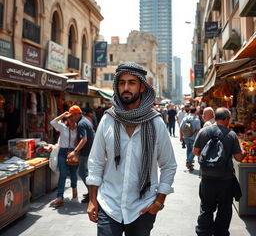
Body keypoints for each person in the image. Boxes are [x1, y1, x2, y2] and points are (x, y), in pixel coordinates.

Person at [86, 62, 177, 236]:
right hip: (108, 204)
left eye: (132, 83)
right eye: (121, 83)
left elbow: (169, 165)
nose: (126, 88)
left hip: (142, 208)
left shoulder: (156, 123)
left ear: (142, 86)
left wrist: (159, 201)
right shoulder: (108, 120)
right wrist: (92, 200)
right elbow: (95, 161)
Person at [192, 107, 246, 236]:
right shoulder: (231, 135)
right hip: (225, 180)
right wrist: (243, 151)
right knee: (225, 209)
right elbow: (238, 157)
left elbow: (195, 152)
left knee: (206, 207)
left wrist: (208, 159)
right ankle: (220, 233)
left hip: (206, 178)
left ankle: (204, 232)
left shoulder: (204, 132)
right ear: (226, 119)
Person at [67, 105, 95, 203]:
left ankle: (93, 195)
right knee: (86, 173)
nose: (71, 118)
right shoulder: (85, 120)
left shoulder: (81, 124)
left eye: (72, 116)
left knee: (82, 172)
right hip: (89, 151)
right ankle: (91, 192)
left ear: (77, 114)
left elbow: (84, 139)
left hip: (86, 152)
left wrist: (74, 152)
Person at [50, 112, 78, 207]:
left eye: (72, 118)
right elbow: (52, 122)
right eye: (68, 118)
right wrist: (63, 115)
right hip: (62, 152)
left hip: (73, 152)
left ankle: (74, 187)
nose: (70, 120)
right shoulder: (63, 127)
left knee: (73, 173)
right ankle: (60, 197)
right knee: (63, 174)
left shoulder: (78, 128)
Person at [180, 106, 201, 171]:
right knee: (193, 151)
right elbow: (198, 130)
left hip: (186, 137)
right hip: (193, 137)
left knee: (188, 149)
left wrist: (181, 136)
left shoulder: (185, 118)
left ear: (189, 111)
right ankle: (188, 161)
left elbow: (181, 128)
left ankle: (189, 164)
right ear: (195, 112)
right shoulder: (196, 119)